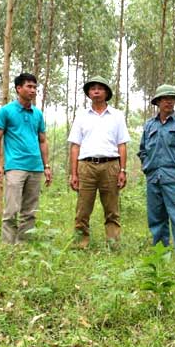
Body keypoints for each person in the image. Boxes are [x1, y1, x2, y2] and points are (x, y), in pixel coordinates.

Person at [68, 76, 130, 248]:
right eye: (92, 88)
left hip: (111, 166)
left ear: (106, 93)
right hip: (86, 167)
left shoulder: (117, 116)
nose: (96, 91)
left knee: (112, 210)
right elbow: (75, 146)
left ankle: (113, 245)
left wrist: (122, 170)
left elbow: (122, 144)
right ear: (88, 93)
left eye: (100, 88)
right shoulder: (81, 116)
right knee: (82, 210)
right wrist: (73, 173)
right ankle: (80, 244)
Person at [0, 73, 52, 245]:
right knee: (11, 210)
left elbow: (42, 140)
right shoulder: (6, 111)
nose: (33, 90)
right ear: (19, 89)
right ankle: (7, 247)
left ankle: (23, 247)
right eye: (29, 86)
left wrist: (46, 165)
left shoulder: (38, 114)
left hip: (36, 167)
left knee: (30, 212)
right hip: (15, 167)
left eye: (35, 87)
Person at [138, 84, 175, 257]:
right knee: (156, 217)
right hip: (153, 177)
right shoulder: (149, 126)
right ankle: (160, 251)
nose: (168, 101)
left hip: (174, 178)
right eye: (164, 98)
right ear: (157, 102)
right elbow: (142, 150)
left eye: (172, 98)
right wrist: (148, 166)